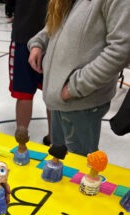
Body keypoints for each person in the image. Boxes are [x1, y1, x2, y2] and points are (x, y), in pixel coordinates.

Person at [28, 0, 130, 156]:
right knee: (58, 163)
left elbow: (120, 50)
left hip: (82, 103)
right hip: (59, 100)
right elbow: (58, 23)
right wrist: (39, 42)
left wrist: (74, 87)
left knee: (77, 172)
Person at [7, 0, 51, 145]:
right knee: (52, 92)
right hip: (51, 37)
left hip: (24, 33)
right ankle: (54, 138)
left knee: (24, 93)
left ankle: (21, 139)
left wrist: (10, 9)